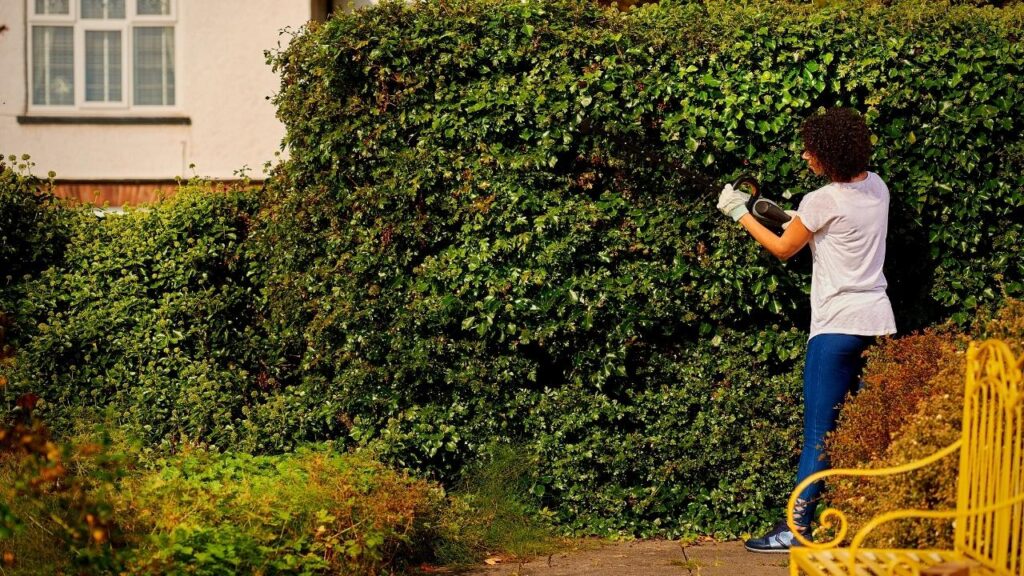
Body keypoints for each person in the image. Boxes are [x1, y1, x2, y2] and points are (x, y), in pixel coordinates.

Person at [716, 107, 897, 553]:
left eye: (809, 149)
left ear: (826, 154)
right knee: (869, 428)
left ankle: (793, 532)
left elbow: (784, 247)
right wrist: (793, 214)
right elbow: (837, 229)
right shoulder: (877, 187)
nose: (804, 155)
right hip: (878, 322)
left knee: (821, 431)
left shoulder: (822, 200)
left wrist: (739, 212)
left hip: (836, 327)